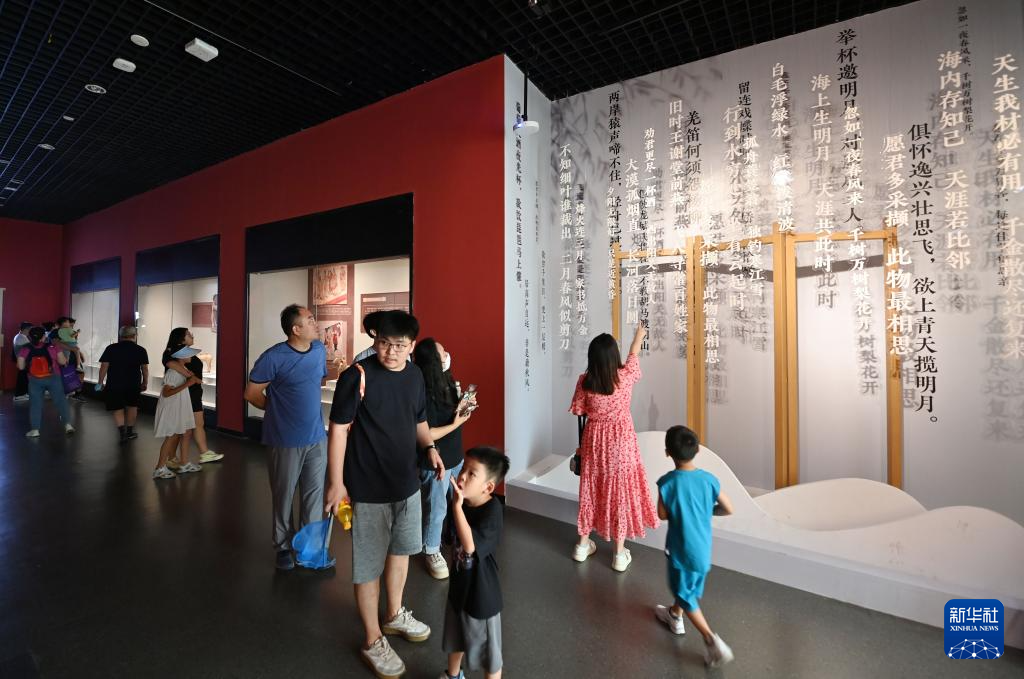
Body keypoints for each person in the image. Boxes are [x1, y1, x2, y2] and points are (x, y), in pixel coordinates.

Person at [325, 310, 442, 679]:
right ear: (375, 341)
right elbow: (338, 430)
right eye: (384, 343)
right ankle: (372, 638)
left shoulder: (415, 375)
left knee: (401, 552)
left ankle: (393, 614)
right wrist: (336, 483)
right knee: (368, 565)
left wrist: (430, 448)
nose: (390, 352)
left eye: (399, 345)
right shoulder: (357, 376)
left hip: (406, 484)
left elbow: (419, 421)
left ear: (412, 346)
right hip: (368, 487)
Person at [245, 304, 328, 571]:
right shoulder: (273, 358)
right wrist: (276, 410)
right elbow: (251, 394)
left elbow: (316, 383)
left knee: (314, 496)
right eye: (310, 320)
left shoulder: (319, 350)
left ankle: (309, 549)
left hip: (316, 437)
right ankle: (282, 546)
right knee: (284, 495)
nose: (316, 323)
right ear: (296, 329)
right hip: (284, 439)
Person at [569, 324, 658, 572]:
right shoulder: (625, 377)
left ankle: (582, 546)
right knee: (619, 492)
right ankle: (619, 554)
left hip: (594, 441)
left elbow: (579, 411)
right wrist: (638, 336)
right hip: (621, 441)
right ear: (613, 357)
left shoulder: (585, 381)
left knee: (590, 489)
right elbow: (633, 355)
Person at [655, 425, 735, 667]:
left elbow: (662, 515)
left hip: (681, 552)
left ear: (667, 452)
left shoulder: (667, 483)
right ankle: (674, 615)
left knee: (685, 594)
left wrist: (680, 510)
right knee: (687, 588)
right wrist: (706, 510)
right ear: (697, 449)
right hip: (703, 551)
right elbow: (728, 508)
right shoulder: (709, 480)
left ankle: (712, 641)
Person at [441, 446, 510, 679]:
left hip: (482, 598)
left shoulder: (492, 512)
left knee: (490, 657)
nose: (462, 476)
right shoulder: (461, 501)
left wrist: (456, 507)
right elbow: (450, 538)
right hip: (459, 588)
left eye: (472, 474)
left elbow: (470, 546)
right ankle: (453, 676)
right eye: (464, 469)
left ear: (488, 487)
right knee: (455, 639)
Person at [413, 337, 475, 579]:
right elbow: (426, 433)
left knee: (455, 502)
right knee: (436, 508)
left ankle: (451, 538)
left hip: (455, 455)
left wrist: (465, 405)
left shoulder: (447, 380)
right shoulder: (422, 391)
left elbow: (453, 416)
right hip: (435, 460)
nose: (448, 355)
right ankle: (431, 550)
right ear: (433, 361)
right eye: (442, 353)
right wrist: (457, 422)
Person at [162, 328, 223, 466]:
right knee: (180, 429)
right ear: (181, 338)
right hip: (184, 394)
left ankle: (204, 453)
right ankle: (171, 458)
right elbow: (171, 363)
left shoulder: (187, 353)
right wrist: (191, 376)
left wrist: (193, 379)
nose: (192, 336)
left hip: (194, 393)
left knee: (198, 424)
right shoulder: (172, 352)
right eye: (189, 334)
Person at [152, 339, 202, 480]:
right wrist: (188, 384)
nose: (192, 356)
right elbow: (166, 393)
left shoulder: (182, 371)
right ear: (181, 356)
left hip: (177, 407)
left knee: (178, 434)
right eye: (189, 354)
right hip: (172, 408)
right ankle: (159, 468)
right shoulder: (173, 373)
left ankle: (179, 464)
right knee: (171, 436)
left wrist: (191, 380)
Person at [16, 326, 74, 437]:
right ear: (44, 336)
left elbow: (21, 366)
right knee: (60, 401)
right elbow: (62, 362)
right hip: (54, 377)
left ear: (30, 337)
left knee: (36, 404)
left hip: (34, 380)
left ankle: (35, 430)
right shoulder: (53, 346)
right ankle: (68, 425)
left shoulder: (25, 349)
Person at [97, 326, 150, 443]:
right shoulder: (141, 350)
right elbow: (144, 369)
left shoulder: (111, 348)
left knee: (117, 408)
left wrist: (100, 382)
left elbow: (104, 366)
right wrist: (145, 382)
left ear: (121, 335)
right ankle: (129, 432)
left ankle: (122, 433)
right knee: (132, 406)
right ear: (135, 335)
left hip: (114, 383)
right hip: (133, 383)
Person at [11, 322, 32, 402]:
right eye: (30, 329)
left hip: (23, 361)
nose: (31, 331)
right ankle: (19, 395)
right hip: (22, 361)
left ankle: (23, 393)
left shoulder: (21, 336)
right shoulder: (20, 337)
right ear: (26, 329)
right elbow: (30, 348)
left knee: (24, 378)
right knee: (22, 378)